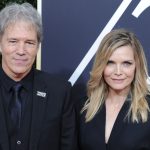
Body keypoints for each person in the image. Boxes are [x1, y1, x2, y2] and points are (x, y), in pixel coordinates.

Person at [0, 2, 76, 150]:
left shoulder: (60, 92)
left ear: (38, 47)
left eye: (29, 42)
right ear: (0, 43)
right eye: (13, 41)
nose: (21, 51)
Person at [76, 29, 150, 150]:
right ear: (101, 65)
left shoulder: (148, 108)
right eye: (110, 63)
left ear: (137, 66)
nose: (118, 72)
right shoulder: (83, 107)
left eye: (126, 63)